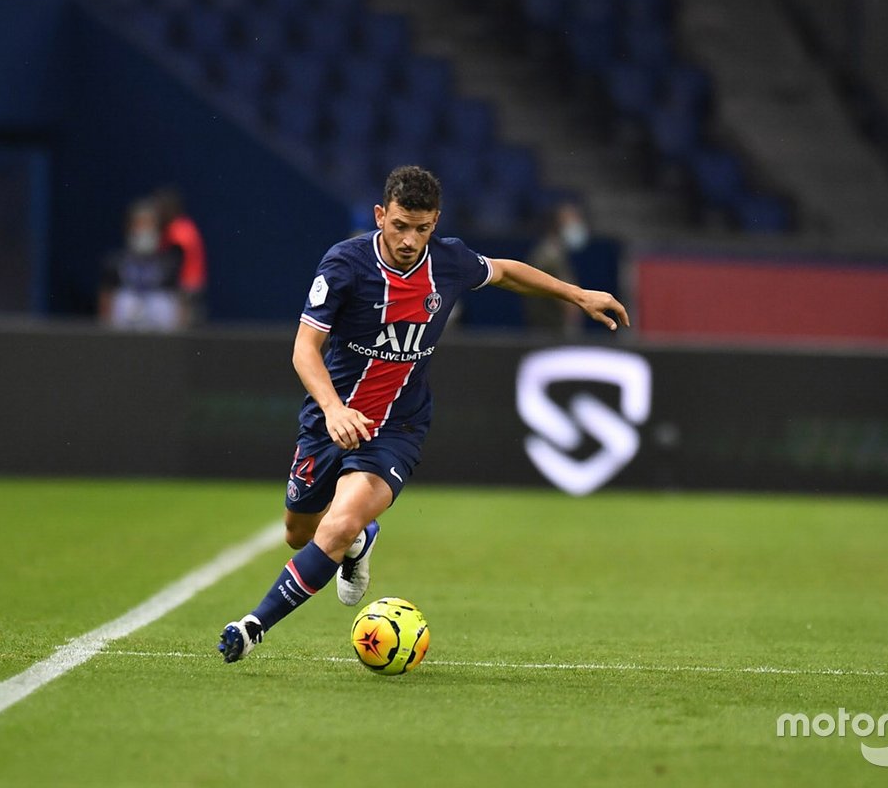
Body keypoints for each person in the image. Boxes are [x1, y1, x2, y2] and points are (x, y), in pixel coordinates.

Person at [217, 166, 628, 662]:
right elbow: (305, 348)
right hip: (333, 419)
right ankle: (360, 542)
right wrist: (332, 408)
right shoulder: (344, 265)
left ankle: (253, 626)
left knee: (337, 524)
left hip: (398, 427)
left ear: (436, 222)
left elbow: (506, 270)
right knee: (298, 532)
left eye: (423, 228)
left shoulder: (448, 262)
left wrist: (578, 294)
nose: (411, 240)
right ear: (380, 216)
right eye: (400, 226)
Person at [98, 200, 185, 331]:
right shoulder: (115, 262)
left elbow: (179, 304)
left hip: (160, 333)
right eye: (139, 225)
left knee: (160, 302)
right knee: (125, 300)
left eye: (149, 224)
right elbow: (105, 303)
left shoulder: (169, 264)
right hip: (124, 329)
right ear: (129, 228)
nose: (144, 230)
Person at [524, 201, 591, 334]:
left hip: (547, 331)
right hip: (551, 333)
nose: (578, 225)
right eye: (572, 221)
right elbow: (569, 303)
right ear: (557, 225)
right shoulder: (550, 256)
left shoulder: (552, 251)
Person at [153, 186, 207, 324]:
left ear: (171, 209)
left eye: (161, 208)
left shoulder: (178, 231)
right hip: (189, 289)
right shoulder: (184, 226)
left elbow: (172, 267)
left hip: (185, 292)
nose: (158, 212)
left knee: (182, 334)